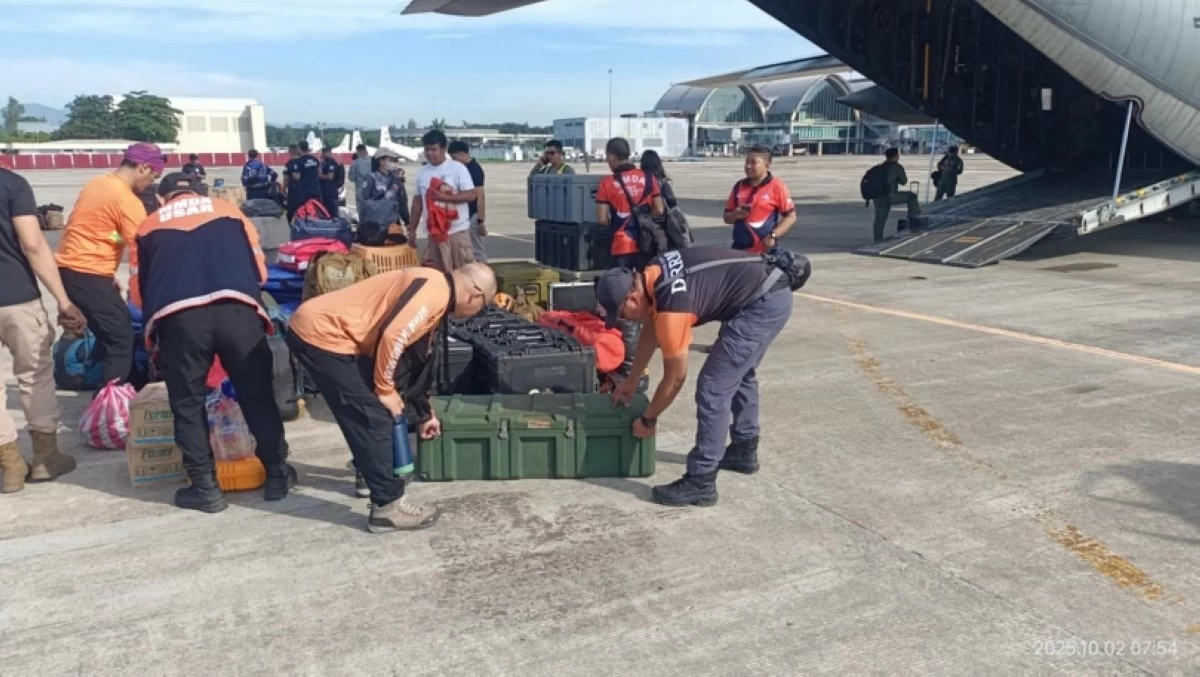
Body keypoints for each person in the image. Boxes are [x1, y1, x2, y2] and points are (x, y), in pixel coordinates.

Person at [286, 263, 497, 533]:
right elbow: (393, 337)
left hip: (338, 335)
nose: (472, 315)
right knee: (371, 416)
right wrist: (385, 390)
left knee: (371, 411)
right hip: (322, 334)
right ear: (475, 294)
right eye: (481, 307)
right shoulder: (434, 292)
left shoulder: (435, 288)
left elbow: (416, 359)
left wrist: (423, 412)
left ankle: (371, 474)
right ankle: (387, 507)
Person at [129, 173, 295, 513]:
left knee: (187, 404)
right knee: (257, 394)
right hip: (237, 309)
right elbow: (260, 272)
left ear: (163, 199)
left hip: (180, 318)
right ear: (198, 192)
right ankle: (277, 474)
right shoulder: (230, 211)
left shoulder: (147, 226)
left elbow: (138, 292)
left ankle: (205, 487)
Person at [599, 246, 794, 507]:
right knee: (739, 371)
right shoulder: (654, 271)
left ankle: (701, 480)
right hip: (766, 290)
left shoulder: (672, 309)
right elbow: (649, 331)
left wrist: (648, 419)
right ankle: (743, 450)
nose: (625, 321)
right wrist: (631, 381)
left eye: (622, 315)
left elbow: (676, 378)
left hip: (763, 303)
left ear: (632, 300)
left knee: (713, 386)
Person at [0, 167, 88, 493]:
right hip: (17, 298)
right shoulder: (11, 184)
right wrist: (64, 301)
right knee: (34, 375)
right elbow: (34, 245)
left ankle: (9, 464)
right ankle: (45, 458)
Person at [55, 142, 162, 390]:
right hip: (87, 272)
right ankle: (110, 404)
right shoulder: (126, 200)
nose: (151, 184)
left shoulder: (97, 183)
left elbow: (97, 229)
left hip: (75, 268)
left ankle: (100, 382)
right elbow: (146, 245)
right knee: (121, 338)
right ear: (144, 167)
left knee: (110, 332)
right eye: (154, 176)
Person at [409, 130, 477, 272]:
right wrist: (412, 230)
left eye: (434, 149)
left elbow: (471, 195)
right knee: (440, 276)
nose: (429, 153)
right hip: (434, 234)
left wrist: (446, 198)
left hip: (456, 232)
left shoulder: (457, 168)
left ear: (444, 149)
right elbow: (417, 203)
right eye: (427, 149)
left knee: (463, 275)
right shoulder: (422, 173)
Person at [595, 137, 665, 270]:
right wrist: (644, 220)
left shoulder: (606, 183)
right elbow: (659, 209)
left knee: (622, 286)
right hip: (647, 242)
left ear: (612, 157)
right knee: (645, 284)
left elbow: (602, 219)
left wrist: (618, 222)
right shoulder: (649, 177)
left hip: (621, 245)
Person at [723, 145, 797, 254]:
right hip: (739, 250)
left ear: (766, 165)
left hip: (764, 252)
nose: (748, 166)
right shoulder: (739, 186)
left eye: (754, 162)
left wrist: (773, 235)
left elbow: (791, 217)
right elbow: (727, 218)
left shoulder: (777, 186)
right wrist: (735, 215)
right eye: (747, 162)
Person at [448, 141, 488, 262]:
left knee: (477, 250)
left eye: (454, 158)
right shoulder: (465, 168)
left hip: (473, 215)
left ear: (461, 155)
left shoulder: (474, 169)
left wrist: (480, 220)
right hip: (467, 215)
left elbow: (480, 196)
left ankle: (484, 275)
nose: (453, 161)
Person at [359, 147, 411, 238]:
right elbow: (365, 202)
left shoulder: (397, 179)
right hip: (375, 224)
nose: (394, 163)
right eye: (391, 160)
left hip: (393, 223)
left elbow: (402, 202)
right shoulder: (371, 178)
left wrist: (407, 222)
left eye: (395, 160)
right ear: (381, 161)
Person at [871, 147, 921, 242]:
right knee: (912, 196)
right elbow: (904, 181)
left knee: (879, 221)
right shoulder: (897, 167)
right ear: (896, 156)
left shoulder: (880, 167)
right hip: (891, 196)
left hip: (878, 197)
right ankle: (914, 220)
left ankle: (877, 240)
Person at [284, 142, 321, 221]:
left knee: (302, 210)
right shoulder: (315, 159)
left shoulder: (298, 161)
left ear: (299, 149)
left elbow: (297, 177)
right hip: (316, 189)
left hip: (304, 190)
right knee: (314, 209)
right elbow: (319, 173)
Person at [319, 148, 342, 218]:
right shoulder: (324, 162)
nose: (322, 154)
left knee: (331, 209)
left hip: (330, 189)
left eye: (324, 153)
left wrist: (319, 176)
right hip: (325, 189)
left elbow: (330, 177)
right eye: (322, 153)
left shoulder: (331, 162)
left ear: (329, 152)